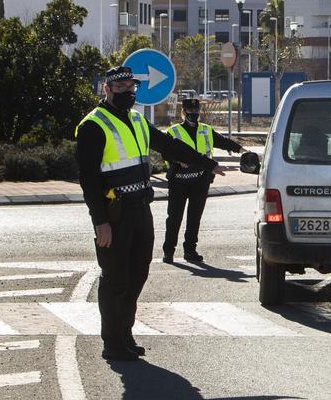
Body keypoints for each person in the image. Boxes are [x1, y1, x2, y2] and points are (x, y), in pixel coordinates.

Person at [76, 67, 223, 362]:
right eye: (121, 87)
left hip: (141, 209)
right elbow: (88, 179)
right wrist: (100, 221)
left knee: (138, 273)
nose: (128, 92)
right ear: (107, 89)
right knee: (115, 278)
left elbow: (170, 145)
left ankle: (125, 334)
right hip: (114, 214)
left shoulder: (137, 120)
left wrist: (206, 164)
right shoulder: (93, 125)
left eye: (132, 86)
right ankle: (112, 342)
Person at [162, 97, 245, 264]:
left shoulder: (206, 130)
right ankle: (168, 251)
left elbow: (223, 142)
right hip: (179, 181)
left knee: (194, 218)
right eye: (190, 112)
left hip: (200, 181)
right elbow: (166, 152)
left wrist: (242, 150)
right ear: (183, 112)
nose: (194, 114)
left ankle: (190, 250)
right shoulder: (173, 131)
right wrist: (177, 161)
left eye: (196, 111)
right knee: (174, 217)